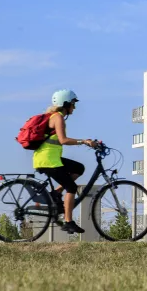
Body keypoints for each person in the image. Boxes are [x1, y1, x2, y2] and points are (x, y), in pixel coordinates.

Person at [33, 89, 96, 234]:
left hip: (51, 159)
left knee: (79, 168)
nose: (74, 107)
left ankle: (56, 192)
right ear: (65, 104)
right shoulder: (58, 117)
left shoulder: (56, 117)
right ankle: (68, 222)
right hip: (47, 161)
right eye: (73, 104)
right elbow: (63, 140)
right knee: (72, 188)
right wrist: (84, 141)